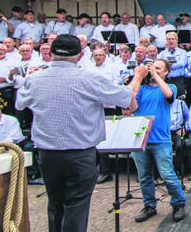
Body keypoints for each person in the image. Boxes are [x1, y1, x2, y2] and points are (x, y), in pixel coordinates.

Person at [15, 34, 135, 232]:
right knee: (76, 207)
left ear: (50, 54)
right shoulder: (90, 77)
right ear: (80, 56)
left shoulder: (34, 79)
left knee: (55, 205)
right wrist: (137, 75)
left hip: (48, 154)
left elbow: (20, 103)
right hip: (80, 154)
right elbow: (124, 98)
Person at [126, 59, 186, 223]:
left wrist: (155, 74)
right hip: (140, 138)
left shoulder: (169, 87)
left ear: (166, 72)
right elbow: (131, 105)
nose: (154, 70)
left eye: (159, 68)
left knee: (167, 174)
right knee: (144, 176)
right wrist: (138, 77)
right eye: (153, 68)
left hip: (160, 139)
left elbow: (168, 95)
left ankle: (178, 203)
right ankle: (149, 205)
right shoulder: (143, 89)